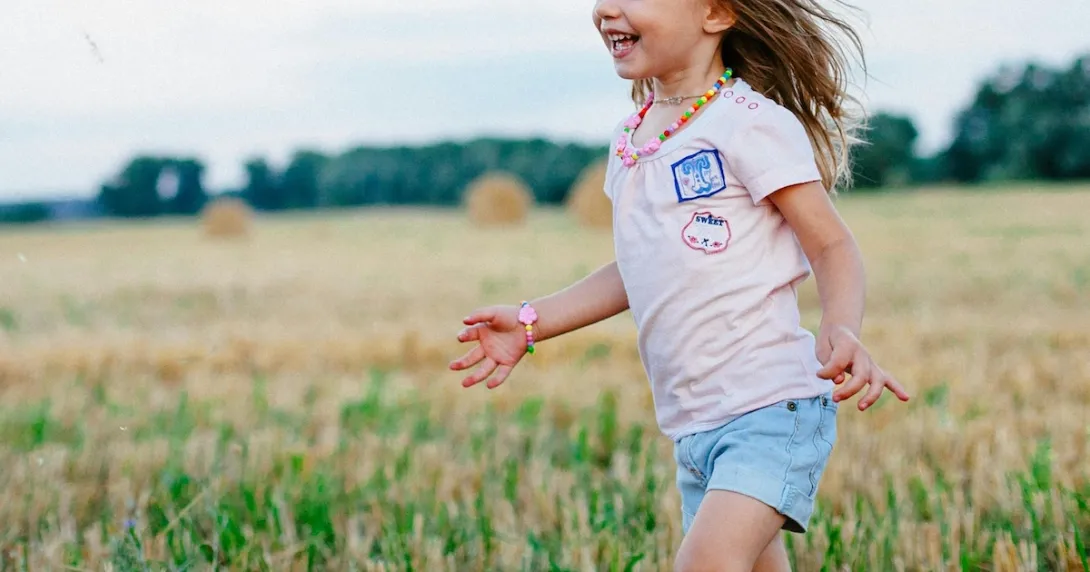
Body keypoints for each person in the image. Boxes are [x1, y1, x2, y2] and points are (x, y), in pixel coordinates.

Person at [448, 0, 910, 569]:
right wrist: (531, 321)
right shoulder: (632, 138)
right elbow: (640, 266)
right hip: (693, 427)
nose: (605, 9)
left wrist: (841, 327)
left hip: (770, 407)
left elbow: (831, 244)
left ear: (715, 14)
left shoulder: (749, 122)